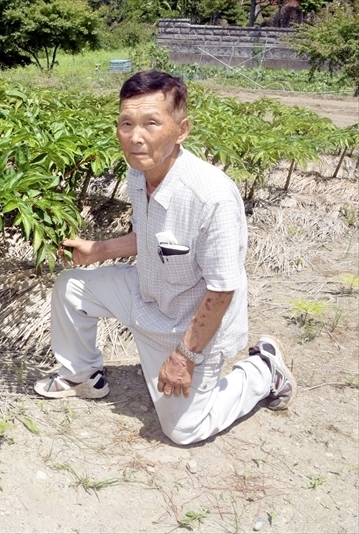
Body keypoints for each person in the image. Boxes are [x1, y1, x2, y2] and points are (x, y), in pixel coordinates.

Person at [34, 71, 296, 445]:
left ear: (181, 130)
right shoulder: (139, 171)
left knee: (185, 431)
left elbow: (223, 288)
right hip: (149, 294)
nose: (136, 136)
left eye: (151, 123)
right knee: (71, 287)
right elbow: (153, 237)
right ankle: (80, 376)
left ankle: (263, 371)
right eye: (126, 123)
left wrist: (184, 355)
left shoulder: (211, 196)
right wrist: (99, 250)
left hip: (189, 324)